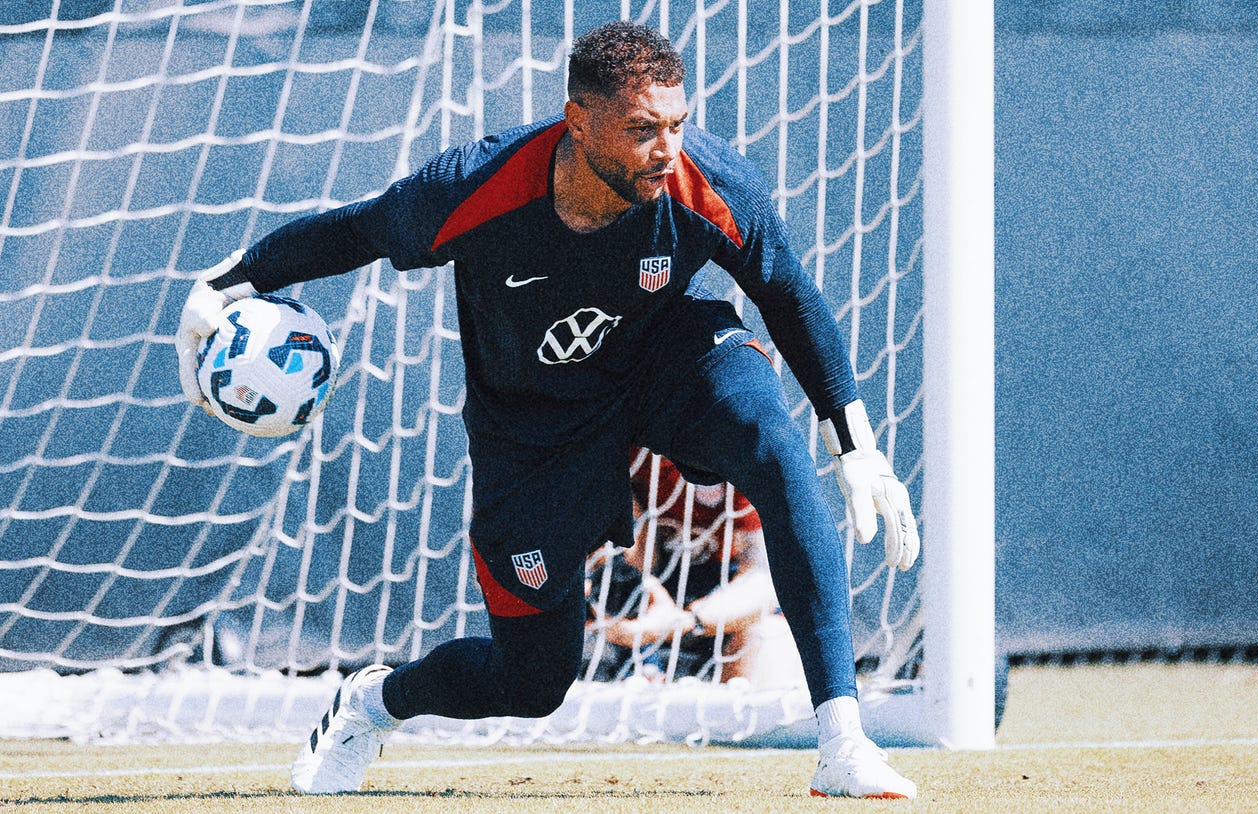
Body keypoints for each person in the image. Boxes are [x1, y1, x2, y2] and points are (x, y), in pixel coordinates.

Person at [175, 20, 921, 799]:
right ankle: (373, 704)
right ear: (577, 120)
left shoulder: (706, 185)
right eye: (641, 130)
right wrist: (234, 281)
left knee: (775, 445)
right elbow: (357, 232)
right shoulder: (472, 187)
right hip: (533, 428)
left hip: (667, 355)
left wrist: (855, 446)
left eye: (675, 125)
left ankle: (843, 741)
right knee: (532, 683)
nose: (666, 149)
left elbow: (787, 294)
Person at [583, 447, 806, 690]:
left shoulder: (742, 454)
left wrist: (687, 622)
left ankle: (734, 709)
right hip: (645, 587)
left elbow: (766, 577)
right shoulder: (630, 445)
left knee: (773, 637)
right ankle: (640, 667)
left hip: (718, 593)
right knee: (616, 506)